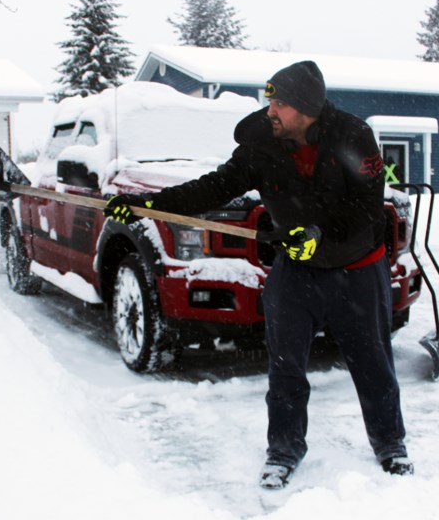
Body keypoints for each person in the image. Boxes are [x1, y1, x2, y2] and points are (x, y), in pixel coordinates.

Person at [104, 61, 413, 489]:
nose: (271, 111)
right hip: (297, 271)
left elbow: (366, 209)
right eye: (271, 101)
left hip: (356, 269)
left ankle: (390, 444)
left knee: (373, 364)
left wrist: (319, 234)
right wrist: (148, 205)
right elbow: (214, 187)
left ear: (306, 107)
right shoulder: (262, 144)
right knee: (285, 368)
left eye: (280, 103)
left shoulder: (353, 137)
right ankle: (284, 450)